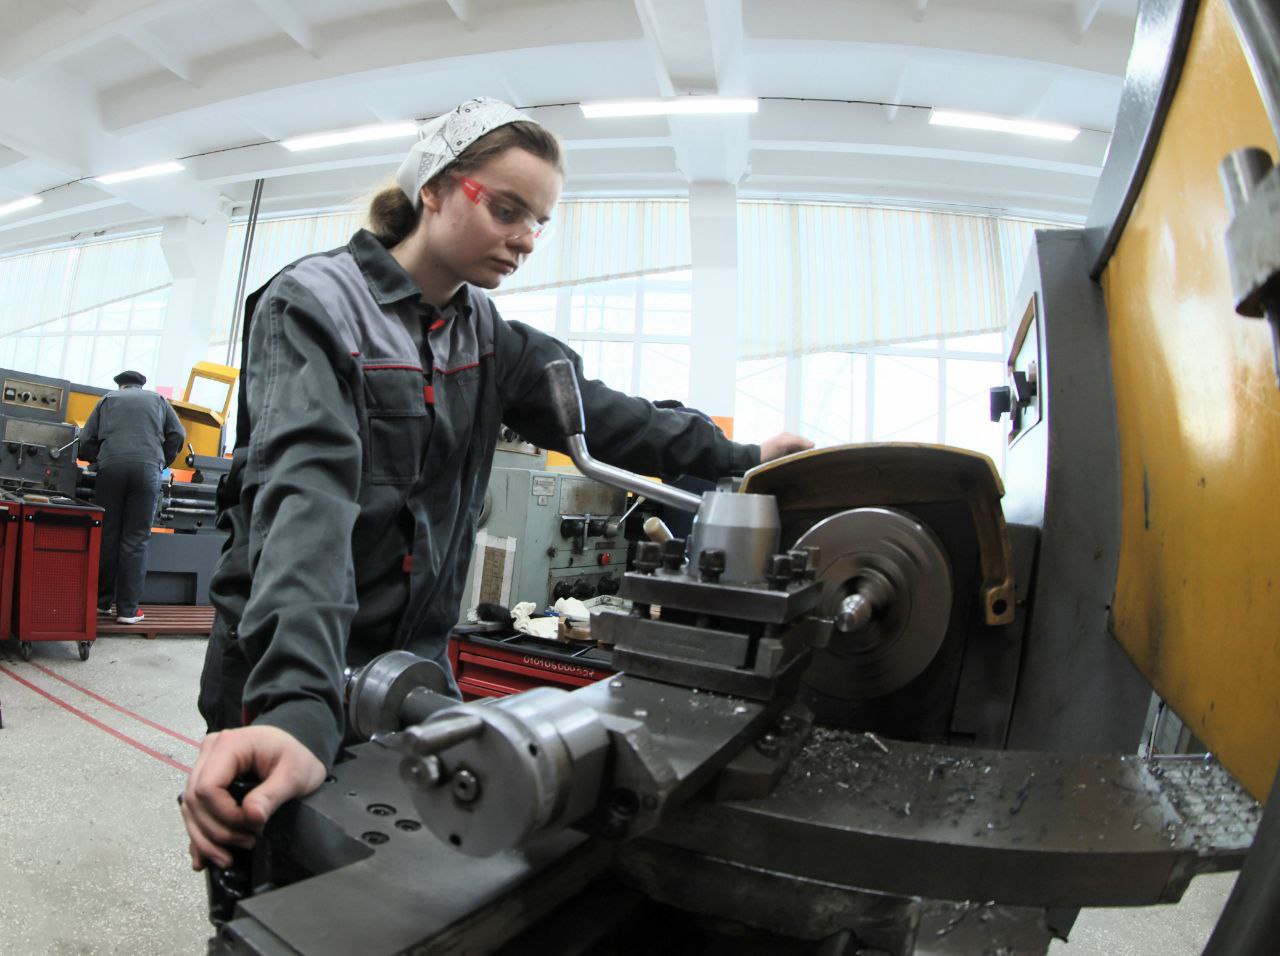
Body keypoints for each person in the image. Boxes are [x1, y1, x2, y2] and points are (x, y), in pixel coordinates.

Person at [180, 97, 812, 871]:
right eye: (507, 210)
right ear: (434, 189)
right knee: (276, 876)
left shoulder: (486, 336)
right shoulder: (315, 304)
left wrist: (741, 456)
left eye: (539, 222)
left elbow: (611, 416)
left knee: (401, 871)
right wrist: (295, 708)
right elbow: (304, 505)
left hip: (408, 665)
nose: (525, 240)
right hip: (286, 656)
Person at [81, 370, 185, 624]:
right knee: (136, 539)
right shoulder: (158, 400)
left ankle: (101, 602)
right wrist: (161, 461)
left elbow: (86, 440)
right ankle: (127, 611)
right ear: (141, 386)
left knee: (107, 535)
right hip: (146, 471)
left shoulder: (107, 399)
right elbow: (178, 434)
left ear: (121, 386)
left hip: (111, 469)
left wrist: (99, 460)